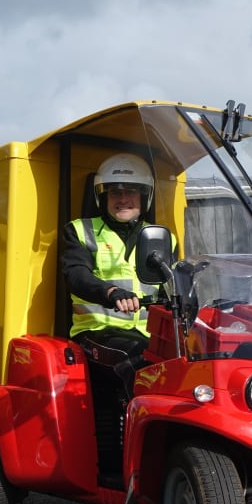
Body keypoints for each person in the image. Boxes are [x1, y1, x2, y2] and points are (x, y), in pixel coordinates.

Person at [60, 152, 173, 480]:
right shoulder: (82, 231)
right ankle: (126, 472)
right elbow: (76, 275)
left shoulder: (160, 237)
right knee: (137, 364)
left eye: (131, 192)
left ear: (145, 197)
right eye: (115, 192)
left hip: (149, 335)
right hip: (95, 331)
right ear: (102, 197)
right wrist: (110, 293)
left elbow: (175, 282)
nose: (123, 199)